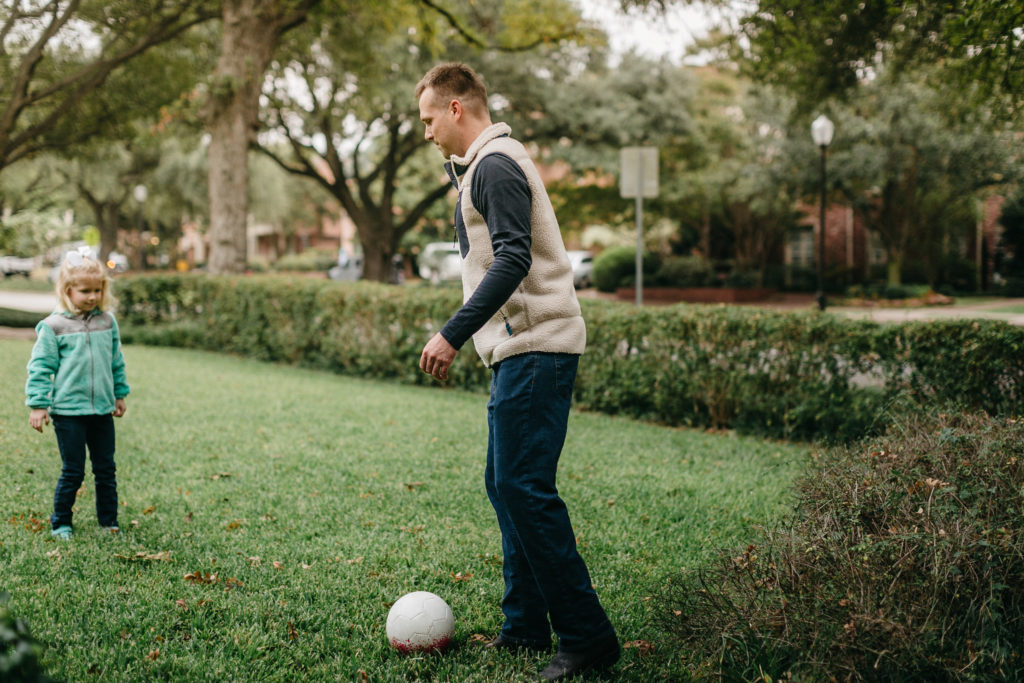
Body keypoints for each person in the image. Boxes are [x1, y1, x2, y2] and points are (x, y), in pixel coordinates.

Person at [415, 63, 619, 681]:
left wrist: (450, 334)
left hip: (538, 347)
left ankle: (587, 637)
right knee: (507, 486)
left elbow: (513, 260)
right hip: (520, 351)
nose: (427, 134)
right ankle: (524, 626)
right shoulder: (482, 166)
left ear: (456, 109)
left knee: (525, 490)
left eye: (429, 120)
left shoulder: (496, 165)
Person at [26, 246, 130, 541]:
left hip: (101, 411)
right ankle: (61, 521)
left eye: (98, 290)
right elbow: (40, 367)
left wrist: (119, 394)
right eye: (85, 291)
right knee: (73, 471)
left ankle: (108, 521)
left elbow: (115, 361)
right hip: (68, 413)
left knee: (106, 470)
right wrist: (37, 405)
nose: (93, 297)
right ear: (67, 290)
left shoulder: (107, 323)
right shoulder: (53, 326)